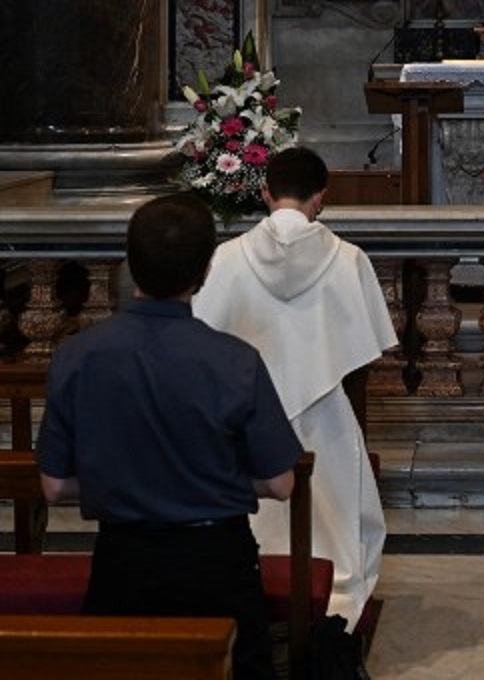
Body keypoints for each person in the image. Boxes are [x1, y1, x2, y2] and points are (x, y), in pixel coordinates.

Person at [36, 194, 304, 680]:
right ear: (204, 272)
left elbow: (54, 487)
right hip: (216, 563)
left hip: (123, 560)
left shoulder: (77, 356)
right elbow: (281, 483)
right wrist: (206, 484)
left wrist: (130, 484)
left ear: (131, 265)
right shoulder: (233, 360)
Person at [193, 146, 398, 641]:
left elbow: (202, 335)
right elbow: (369, 353)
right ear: (321, 197)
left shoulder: (227, 257)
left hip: (244, 415)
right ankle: (334, 575)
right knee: (338, 512)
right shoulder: (348, 260)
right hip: (323, 412)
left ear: (265, 192)